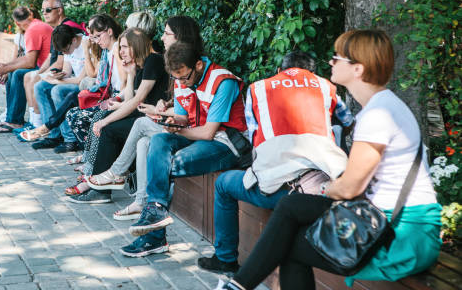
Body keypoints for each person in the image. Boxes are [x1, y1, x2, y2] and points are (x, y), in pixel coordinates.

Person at [218, 29, 441, 290]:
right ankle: (238, 286)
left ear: (358, 69)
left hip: (402, 233)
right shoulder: (382, 106)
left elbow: (349, 188)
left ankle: (237, 286)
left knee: (289, 229)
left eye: (338, 58)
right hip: (388, 220)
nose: (331, 62)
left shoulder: (379, 115)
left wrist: (325, 188)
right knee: (291, 216)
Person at [198, 51, 351, 274]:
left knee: (223, 184)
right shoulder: (325, 86)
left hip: (278, 189)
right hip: (324, 187)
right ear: (313, 74)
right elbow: (347, 122)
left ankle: (225, 258)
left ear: (279, 71)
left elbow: (254, 136)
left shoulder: (259, 88)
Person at [119, 41, 247, 257]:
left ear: (198, 65)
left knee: (167, 164)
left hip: (226, 143)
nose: (180, 83)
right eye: (176, 78)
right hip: (196, 135)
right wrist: (169, 123)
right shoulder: (181, 78)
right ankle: (157, 212)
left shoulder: (223, 81)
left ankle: (154, 235)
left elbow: (208, 133)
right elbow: (183, 118)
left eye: (184, 77)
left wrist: (177, 131)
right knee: (159, 141)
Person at [87, 15, 203, 220]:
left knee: (131, 124)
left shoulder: (184, 64)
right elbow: (181, 103)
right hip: (173, 121)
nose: (162, 37)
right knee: (142, 143)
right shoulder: (169, 61)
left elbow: (191, 111)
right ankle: (141, 201)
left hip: (190, 129)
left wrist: (161, 111)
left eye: (167, 33)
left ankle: (116, 173)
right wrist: (164, 106)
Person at [67, 27, 170, 203]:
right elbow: (131, 98)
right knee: (103, 121)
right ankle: (95, 180)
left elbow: (137, 100)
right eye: (120, 47)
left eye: (124, 47)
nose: (120, 52)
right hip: (142, 116)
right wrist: (130, 74)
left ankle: (101, 188)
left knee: (108, 128)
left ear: (136, 45)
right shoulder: (142, 64)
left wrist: (106, 121)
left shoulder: (154, 60)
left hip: (151, 119)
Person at [64, 14, 124, 160]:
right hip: (110, 95)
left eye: (98, 36)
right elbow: (96, 74)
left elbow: (124, 83)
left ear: (109, 31)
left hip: (118, 97)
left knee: (78, 117)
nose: (96, 41)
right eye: (94, 37)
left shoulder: (117, 49)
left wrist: (115, 100)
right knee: (73, 113)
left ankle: (94, 157)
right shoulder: (107, 51)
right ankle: (91, 154)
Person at [0, 6, 52, 133]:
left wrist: (7, 68)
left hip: (49, 68)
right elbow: (26, 58)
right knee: (13, 72)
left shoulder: (33, 30)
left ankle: (15, 120)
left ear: (16, 23)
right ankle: (12, 117)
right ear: (31, 14)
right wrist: (6, 67)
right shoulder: (35, 26)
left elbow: (30, 62)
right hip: (44, 65)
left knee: (18, 74)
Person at [27, 24, 88, 149]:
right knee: (40, 87)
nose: (65, 53)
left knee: (57, 90)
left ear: (74, 40)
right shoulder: (67, 43)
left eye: (66, 50)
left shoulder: (87, 45)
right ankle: (53, 136)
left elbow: (80, 79)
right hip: (72, 81)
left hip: (84, 83)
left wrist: (58, 82)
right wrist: (57, 75)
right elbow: (67, 70)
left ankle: (70, 139)